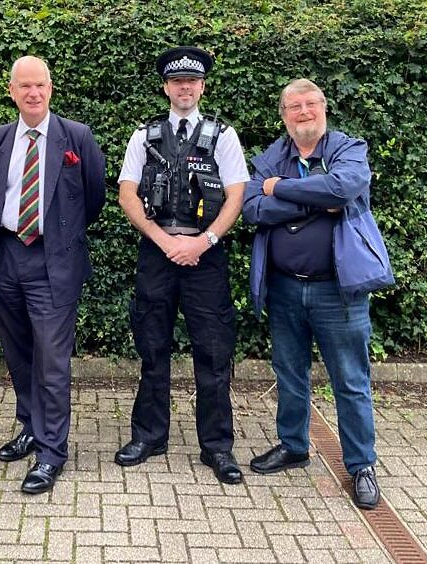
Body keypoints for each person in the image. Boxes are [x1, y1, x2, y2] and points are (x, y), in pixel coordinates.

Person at [242, 78, 394, 509]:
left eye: (310, 104)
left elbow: (343, 189)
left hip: (338, 293)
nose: (303, 112)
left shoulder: (349, 148)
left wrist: (281, 188)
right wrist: (314, 198)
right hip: (286, 289)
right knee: (289, 374)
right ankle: (293, 446)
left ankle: (361, 465)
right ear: (284, 114)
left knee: (350, 380)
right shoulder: (273, 155)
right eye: (294, 106)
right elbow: (253, 207)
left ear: (323, 108)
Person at [115, 46, 250, 485]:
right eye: (177, 82)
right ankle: (149, 436)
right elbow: (128, 194)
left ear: (202, 86)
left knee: (213, 353)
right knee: (152, 348)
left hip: (205, 257)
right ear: (166, 87)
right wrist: (162, 239)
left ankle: (217, 447)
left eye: (192, 81)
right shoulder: (145, 135)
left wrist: (204, 241)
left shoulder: (223, 136)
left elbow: (236, 196)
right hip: (157, 254)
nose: (185, 87)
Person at [0, 56, 106, 494]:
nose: (33, 93)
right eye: (24, 86)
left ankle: (52, 452)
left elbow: (93, 197)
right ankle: (31, 426)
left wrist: (58, 236)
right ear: (12, 91)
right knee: (19, 356)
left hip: (54, 263)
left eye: (40, 85)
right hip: (7, 258)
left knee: (52, 362)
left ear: (51, 89)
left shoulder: (77, 137)